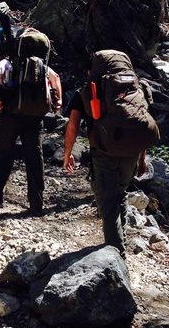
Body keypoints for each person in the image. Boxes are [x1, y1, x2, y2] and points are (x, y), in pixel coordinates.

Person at [63, 50, 159, 254]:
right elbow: (139, 123)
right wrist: (142, 158)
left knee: (107, 199)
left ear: (94, 69)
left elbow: (72, 124)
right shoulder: (137, 87)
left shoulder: (88, 90)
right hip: (132, 151)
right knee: (120, 193)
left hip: (104, 151)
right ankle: (119, 241)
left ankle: (115, 251)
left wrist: (68, 152)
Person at [0, 29, 62, 215]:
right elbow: (56, 78)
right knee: (35, 157)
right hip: (34, 118)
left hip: (10, 115)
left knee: (4, 153)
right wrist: (58, 101)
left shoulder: (9, 62)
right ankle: (36, 204)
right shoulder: (43, 65)